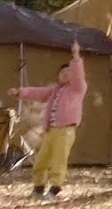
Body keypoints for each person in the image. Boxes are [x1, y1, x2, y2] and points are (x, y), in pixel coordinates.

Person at [14, 53, 86, 199]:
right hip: (50, 131)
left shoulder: (76, 90)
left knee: (58, 159)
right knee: (42, 159)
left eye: (69, 72)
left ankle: (55, 189)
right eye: (62, 72)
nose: (65, 74)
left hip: (65, 130)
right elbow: (38, 93)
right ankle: (38, 188)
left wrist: (76, 57)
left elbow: (79, 76)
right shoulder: (55, 91)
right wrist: (20, 92)